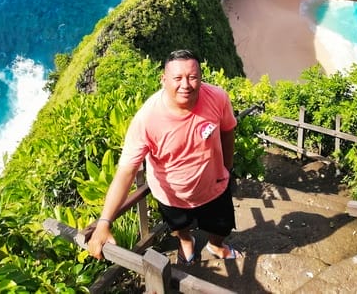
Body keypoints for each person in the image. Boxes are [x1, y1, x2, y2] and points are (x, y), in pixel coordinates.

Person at [87, 49, 242, 263]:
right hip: (171, 194)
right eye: (177, 78)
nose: (185, 85)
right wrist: (104, 223)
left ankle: (216, 246)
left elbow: (227, 130)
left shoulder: (217, 97)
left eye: (192, 77)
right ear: (164, 80)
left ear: (201, 78)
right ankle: (186, 242)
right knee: (179, 227)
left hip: (214, 186)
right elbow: (126, 171)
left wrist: (227, 168)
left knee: (221, 225)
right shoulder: (147, 118)